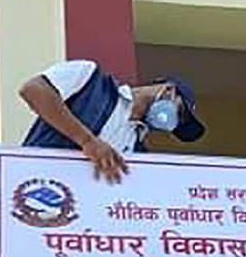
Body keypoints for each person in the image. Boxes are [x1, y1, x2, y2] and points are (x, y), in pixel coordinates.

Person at [19, 59, 206, 183]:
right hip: (33, 185)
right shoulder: (91, 80)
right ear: (169, 90)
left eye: (178, 124)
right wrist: (87, 141)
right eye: (179, 112)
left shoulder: (138, 151)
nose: (173, 122)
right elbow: (33, 90)